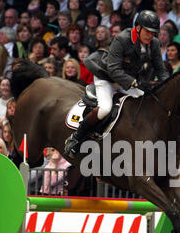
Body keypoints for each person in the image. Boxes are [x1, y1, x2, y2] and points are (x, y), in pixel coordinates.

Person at [64, 10, 169, 157]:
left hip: (128, 80)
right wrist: (136, 83)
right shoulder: (122, 39)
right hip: (107, 77)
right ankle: (76, 138)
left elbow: (160, 69)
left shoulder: (154, 44)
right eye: (148, 31)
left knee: (148, 104)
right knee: (105, 109)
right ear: (137, 28)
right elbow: (113, 69)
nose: (151, 35)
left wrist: (167, 85)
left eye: (153, 33)